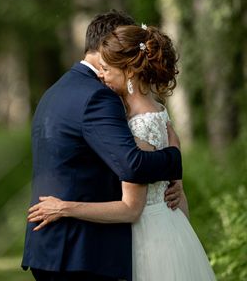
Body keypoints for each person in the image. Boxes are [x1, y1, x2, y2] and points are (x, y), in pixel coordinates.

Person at [27, 24, 216, 280]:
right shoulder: (160, 113)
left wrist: (64, 208)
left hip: (147, 243)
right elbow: (176, 196)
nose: (101, 76)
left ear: (128, 71)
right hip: (172, 231)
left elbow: (131, 204)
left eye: (106, 69)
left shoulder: (136, 126)